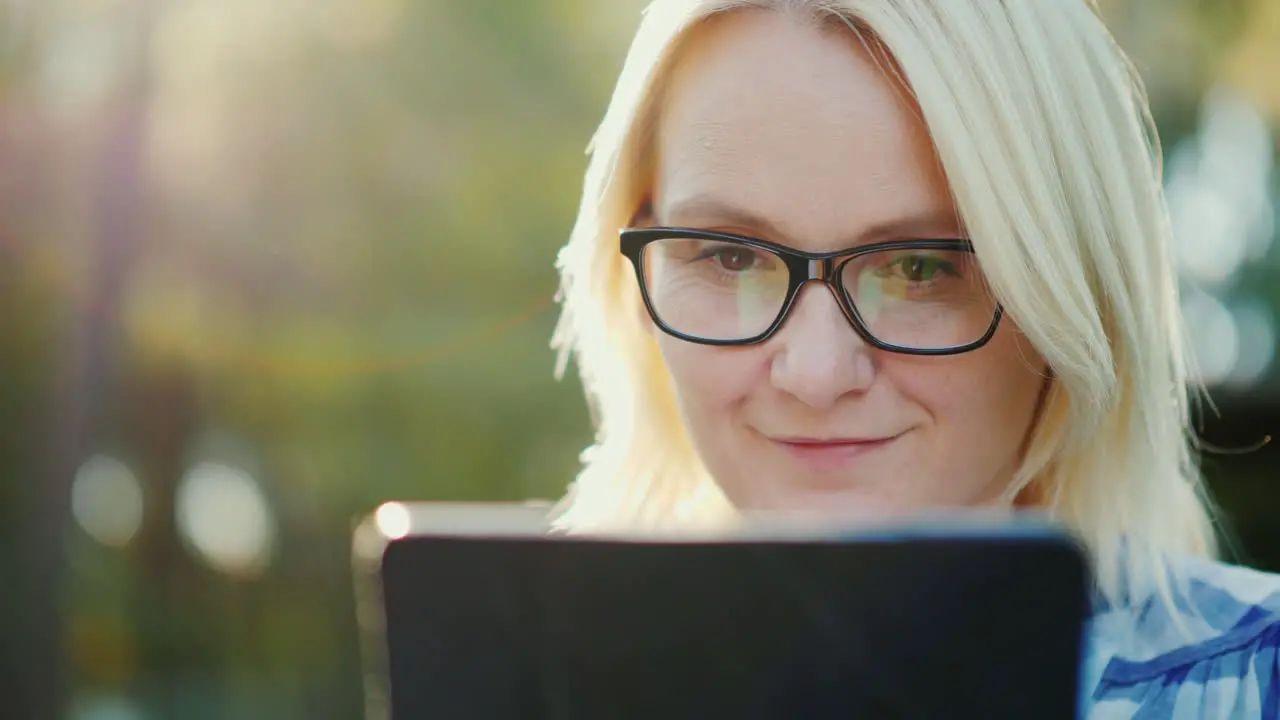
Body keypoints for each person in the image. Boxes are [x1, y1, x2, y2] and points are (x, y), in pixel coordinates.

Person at [547, 0, 1280, 716]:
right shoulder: (511, 681)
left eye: (920, 268)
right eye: (733, 258)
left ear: (1069, 286)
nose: (816, 374)